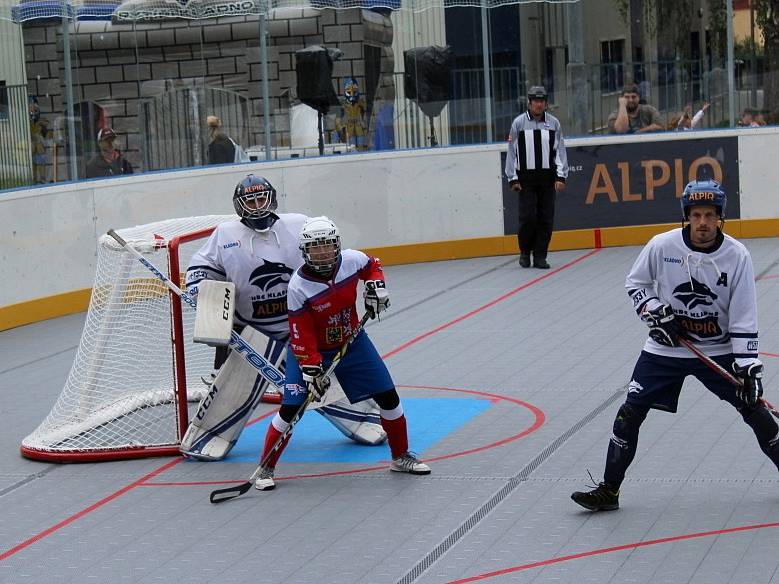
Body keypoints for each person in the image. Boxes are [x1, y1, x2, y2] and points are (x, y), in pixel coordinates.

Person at [571, 179, 778, 511]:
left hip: (717, 349)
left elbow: (743, 317)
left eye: (710, 215)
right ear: (687, 216)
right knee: (629, 413)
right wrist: (655, 312)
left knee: (754, 409)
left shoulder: (737, 256)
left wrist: (748, 368)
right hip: (665, 350)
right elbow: (636, 283)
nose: (703, 223)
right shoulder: (661, 246)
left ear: (720, 217)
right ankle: (609, 490)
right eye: (696, 215)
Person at [182, 175, 387, 460]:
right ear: (239, 205)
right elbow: (202, 267)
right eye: (250, 200)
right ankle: (210, 434)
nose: (256, 206)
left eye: (261, 198)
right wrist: (198, 289)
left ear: (273, 198)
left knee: (319, 379)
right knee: (234, 390)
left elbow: (329, 256)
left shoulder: (297, 223)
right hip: (252, 330)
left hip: (303, 325)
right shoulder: (225, 235)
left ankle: (362, 418)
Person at [254, 215, 431, 490]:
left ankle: (400, 456)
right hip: (310, 352)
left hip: (353, 341)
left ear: (337, 245)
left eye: (327, 245)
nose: (323, 252)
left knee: (388, 396)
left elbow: (372, 265)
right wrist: (311, 369)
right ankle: (265, 467)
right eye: (315, 247)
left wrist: (375, 286)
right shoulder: (298, 287)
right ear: (305, 251)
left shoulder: (351, 260)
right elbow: (301, 333)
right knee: (291, 408)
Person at [504, 85, 568, 270]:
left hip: (547, 180)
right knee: (527, 218)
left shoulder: (554, 123)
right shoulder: (518, 123)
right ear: (530, 103)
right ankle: (525, 252)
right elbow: (511, 152)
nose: (538, 104)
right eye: (535, 101)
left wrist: (560, 176)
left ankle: (540, 256)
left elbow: (560, 151)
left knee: (546, 218)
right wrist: (513, 178)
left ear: (546, 103)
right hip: (526, 181)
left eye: (541, 101)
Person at [337, 78, 368, 151]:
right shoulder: (343, 105)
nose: (352, 94)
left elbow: (365, 116)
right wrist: (341, 129)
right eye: (349, 91)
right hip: (349, 127)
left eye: (354, 91)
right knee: (352, 147)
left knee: (361, 146)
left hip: (359, 126)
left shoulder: (361, 103)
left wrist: (365, 125)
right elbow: (338, 120)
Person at [28, 96, 51, 184]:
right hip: (32, 147)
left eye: (35, 110)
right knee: (33, 166)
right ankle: (33, 180)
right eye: (32, 109)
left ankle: (42, 179)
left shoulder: (41, 121)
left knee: (41, 164)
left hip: (40, 148)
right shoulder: (28, 122)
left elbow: (47, 133)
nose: (33, 112)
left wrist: (40, 124)